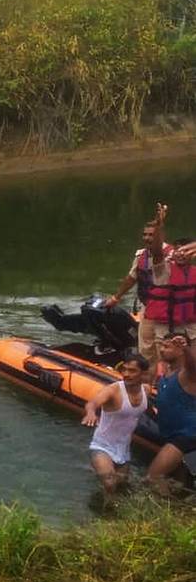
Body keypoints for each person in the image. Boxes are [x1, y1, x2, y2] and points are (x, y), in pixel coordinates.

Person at [105, 204, 196, 363]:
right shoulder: (158, 265)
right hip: (156, 312)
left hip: (184, 319)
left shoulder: (185, 265)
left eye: (185, 252)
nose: (181, 255)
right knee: (150, 352)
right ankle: (151, 379)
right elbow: (134, 275)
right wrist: (116, 297)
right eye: (145, 234)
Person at [81, 350, 149, 494]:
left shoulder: (146, 391)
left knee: (122, 488)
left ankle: (106, 505)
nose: (126, 374)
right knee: (110, 483)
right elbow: (92, 403)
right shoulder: (113, 390)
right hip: (102, 446)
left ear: (143, 374)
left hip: (123, 450)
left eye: (132, 371)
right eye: (124, 369)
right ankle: (104, 514)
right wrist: (91, 413)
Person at [146, 332, 196, 491]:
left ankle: (158, 511)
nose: (161, 350)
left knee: (152, 478)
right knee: (178, 483)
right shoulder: (166, 373)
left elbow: (193, 368)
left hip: (187, 435)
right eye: (162, 345)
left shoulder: (186, 375)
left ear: (180, 351)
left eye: (167, 347)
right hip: (171, 434)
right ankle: (177, 508)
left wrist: (186, 349)